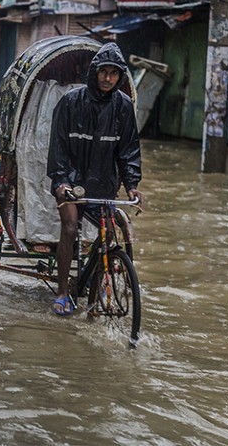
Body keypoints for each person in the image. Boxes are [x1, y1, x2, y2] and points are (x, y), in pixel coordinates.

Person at [46, 42, 144, 316]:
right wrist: (62, 182)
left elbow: (128, 151)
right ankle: (63, 292)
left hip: (103, 183)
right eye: (104, 72)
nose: (108, 78)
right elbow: (58, 147)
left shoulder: (123, 107)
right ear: (94, 72)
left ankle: (98, 282)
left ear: (120, 77)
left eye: (114, 73)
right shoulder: (71, 102)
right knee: (69, 227)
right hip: (71, 183)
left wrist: (133, 185)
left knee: (109, 234)